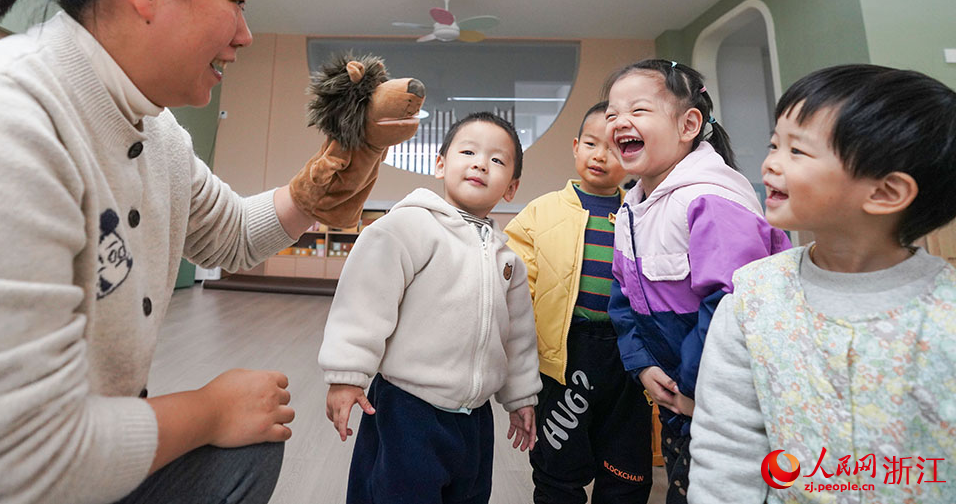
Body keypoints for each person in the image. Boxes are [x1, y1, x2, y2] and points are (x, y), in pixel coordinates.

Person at [0, 0, 403, 502]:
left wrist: (325, 178)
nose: (245, 35)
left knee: (253, 444)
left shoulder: (158, 130)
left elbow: (232, 235)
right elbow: (14, 456)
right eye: (236, 1)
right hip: (10, 476)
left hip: (74, 451)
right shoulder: (2, 119)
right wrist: (209, 411)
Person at [688, 65, 956, 503]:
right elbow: (727, 447)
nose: (770, 163)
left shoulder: (945, 316)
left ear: (885, 193)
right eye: (775, 144)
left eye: (797, 150)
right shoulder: (753, 297)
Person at [319, 112, 542, 504]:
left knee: (470, 495)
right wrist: (347, 374)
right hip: (408, 407)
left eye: (496, 160)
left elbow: (518, 337)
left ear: (512, 187)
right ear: (440, 164)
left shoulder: (507, 260)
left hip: (475, 417)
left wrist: (521, 396)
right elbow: (364, 300)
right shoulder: (408, 228)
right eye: (468, 152)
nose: (480, 164)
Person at [603, 59, 792, 504]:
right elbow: (623, 295)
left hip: (727, 402)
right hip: (677, 400)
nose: (620, 122)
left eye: (638, 110)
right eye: (612, 113)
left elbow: (730, 306)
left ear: (688, 124)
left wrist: (695, 389)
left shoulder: (712, 198)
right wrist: (643, 365)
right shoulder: (631, 206)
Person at [505, 101, 653, 503]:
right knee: (558, 466)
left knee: (627, 469)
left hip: (628, 354)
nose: (600, 155)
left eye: (615, 148)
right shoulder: (541, 212)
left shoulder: (642, 213)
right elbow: (515, 287)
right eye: (591, 143)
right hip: (563, 358)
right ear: (575, 146)